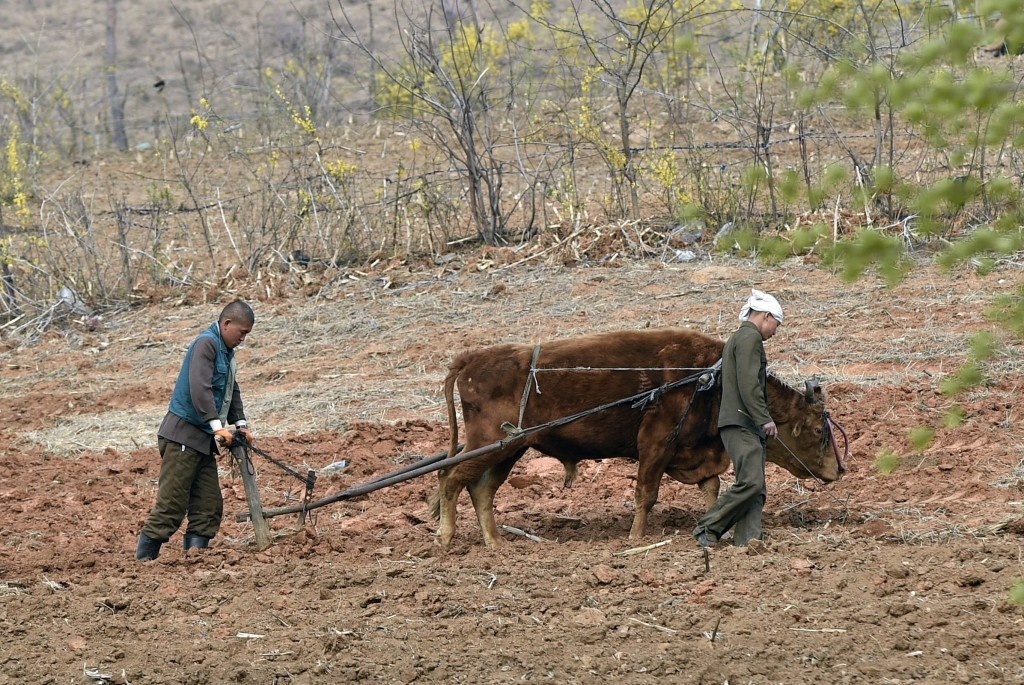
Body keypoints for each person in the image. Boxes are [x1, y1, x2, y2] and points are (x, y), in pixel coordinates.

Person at [135, 300, 256, 561]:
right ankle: (142, 565)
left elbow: (231, 390)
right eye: (242, 332)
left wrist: (241, 425)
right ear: (227, 324)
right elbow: (198, 388)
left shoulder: (227, 352)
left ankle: (195, 561)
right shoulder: (206, 344)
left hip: (202, 442)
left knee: (208, 506)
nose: (243, 339)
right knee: (172, 505)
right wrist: (217, 427)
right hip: (183, 436)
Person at [694, 289, 782, 549]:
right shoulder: (749, 338)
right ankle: (708, 527)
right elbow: (748, 384)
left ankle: (749, 541)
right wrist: (764, 417)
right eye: (777, 324)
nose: (776, 331)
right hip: (742, 423)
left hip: (742, 423)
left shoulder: (739, 338)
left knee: (756, 488)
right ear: (766, 316)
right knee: (752, 482)